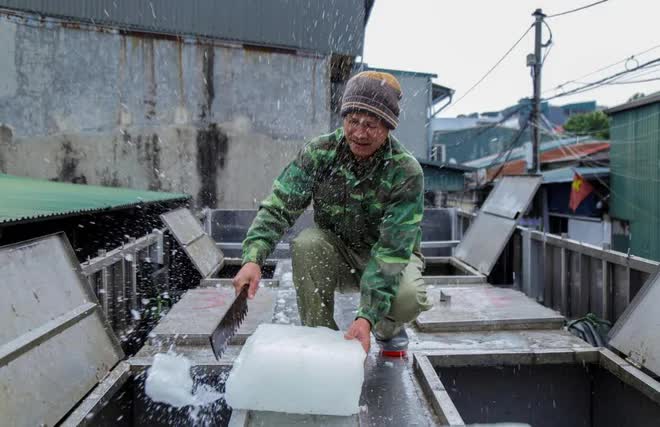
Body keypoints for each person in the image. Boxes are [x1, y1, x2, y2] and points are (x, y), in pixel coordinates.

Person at [232, 71, 432, 356]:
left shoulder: (406, 171)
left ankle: (387, 327)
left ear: (388, 127)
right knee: (307, 243)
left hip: (386, 256)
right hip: (337, 254)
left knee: (408, 298)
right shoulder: (319, 153)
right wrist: (253, 259)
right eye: (353, 121)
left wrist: (365, 317)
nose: (360, 133)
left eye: (371, 125)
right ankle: (322, 342)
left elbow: (392, 251)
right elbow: (279, 206)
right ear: (343, 119)